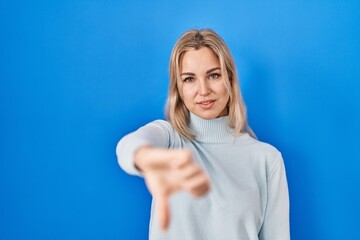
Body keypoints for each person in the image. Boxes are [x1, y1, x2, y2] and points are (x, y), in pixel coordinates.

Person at [116, 29, 290, 240]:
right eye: (189, 79)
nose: (204, 90)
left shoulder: (267, 160)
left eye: (214, 75)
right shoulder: (169, 139)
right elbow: (129, 146)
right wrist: (144, 158)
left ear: (230, 79)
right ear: (178, 88)